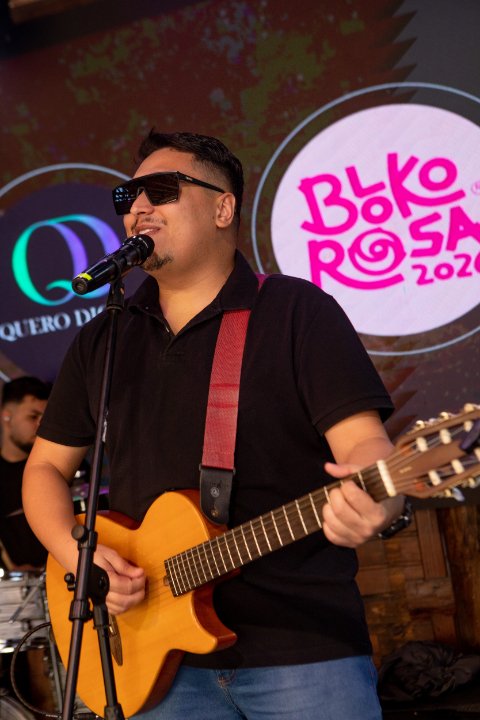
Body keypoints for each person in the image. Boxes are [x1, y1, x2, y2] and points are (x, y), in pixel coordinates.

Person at [23, 131, 408, 720]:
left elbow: (363, 444)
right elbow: (46, 467)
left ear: (223, 207)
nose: (138, 206)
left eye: (161, 190)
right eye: (128, 195)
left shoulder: (296, 311)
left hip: (302, 649)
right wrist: (74, 556)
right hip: (153, 664)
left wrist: (381, 499)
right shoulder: (104, 336)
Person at [0, 375, 50, 570]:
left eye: (45, 418)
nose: (41, 424)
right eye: (33, 417)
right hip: (15, 585)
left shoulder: (56, 465)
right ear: (7, 417)